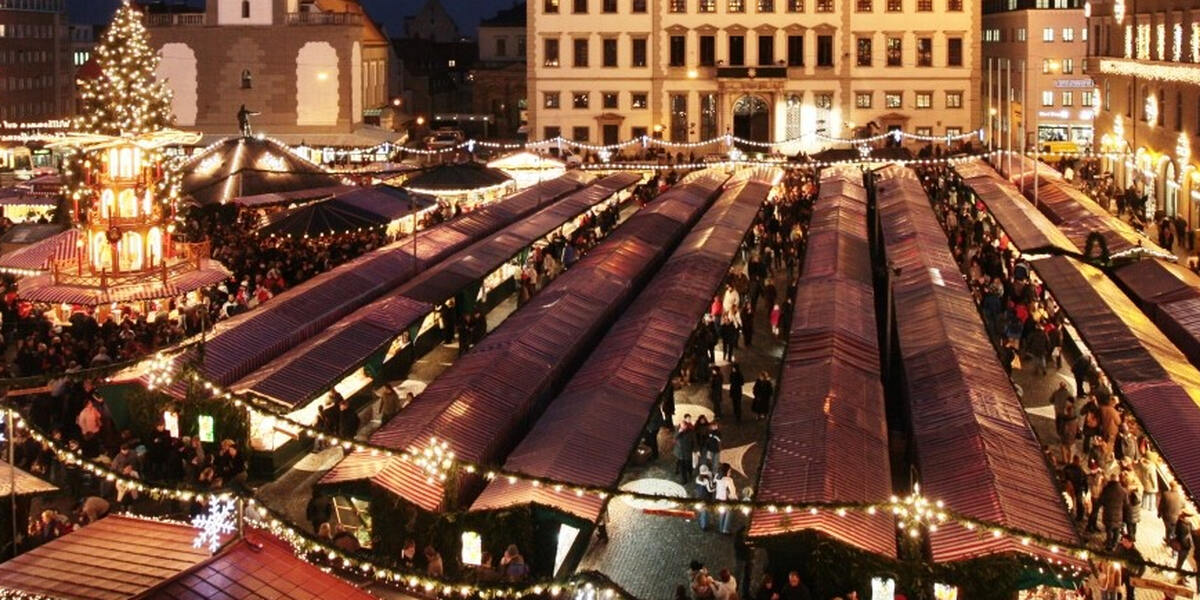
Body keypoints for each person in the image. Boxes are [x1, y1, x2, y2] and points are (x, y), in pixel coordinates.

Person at [714, 463, 738, 534]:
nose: (730, 472)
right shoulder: (728, 480)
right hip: (727, 499)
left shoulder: (717, 476)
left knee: (722, 512)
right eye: (729, 471)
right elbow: (732, 491)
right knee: (729, 513)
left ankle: (720, 527)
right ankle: (725, 529)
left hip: (718, 498)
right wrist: (735, 498)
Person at [674, 415, 695, 484]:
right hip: (680, 453)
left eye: (684, 426)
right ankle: (684, 479)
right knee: (682, 467)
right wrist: (679, 432)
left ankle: (690, 474)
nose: (682, 427)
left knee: (688, 465)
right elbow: (675, 438)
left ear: (686, 426)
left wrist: (695, 450)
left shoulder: (691, 432)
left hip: (687, 452)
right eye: (681, 426)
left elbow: (694, 441)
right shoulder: (678, 431)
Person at [694, 465, 715, 531]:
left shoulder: (697, 478)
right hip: (706, 497)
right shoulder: (706, 480)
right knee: (705, 512)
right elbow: (710, 489)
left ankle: (701, 522)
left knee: (701, 510)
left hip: (699, 496)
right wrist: (715, 487)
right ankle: (704, 526)